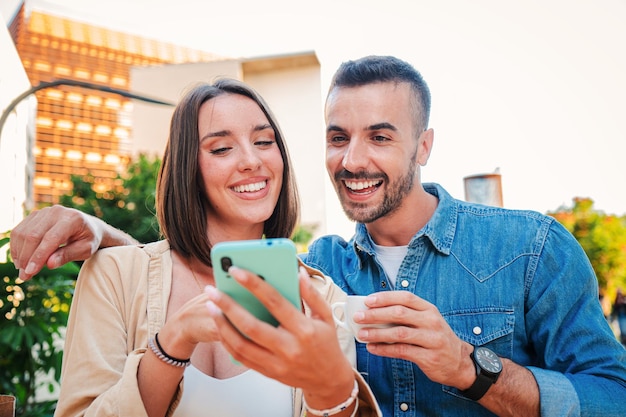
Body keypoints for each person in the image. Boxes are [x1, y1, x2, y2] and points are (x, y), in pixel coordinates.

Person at [11, 56, 626, 416]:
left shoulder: (530, 247)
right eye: (337, 137)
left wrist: (471, 367)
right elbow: (189, 272)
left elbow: (613, 397)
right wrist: (101, 233)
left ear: (425, 146)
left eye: (381, 137)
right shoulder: (322, 269)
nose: (353, 159)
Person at [16, 79, 381, 417]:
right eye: (221, 148)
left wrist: (332, 389)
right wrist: (173, 342)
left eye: (264, 141)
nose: (251, 160)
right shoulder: (113, 275)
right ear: (187, 168)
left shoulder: (320, 296)